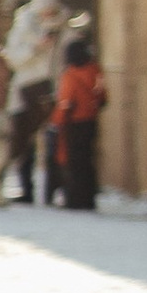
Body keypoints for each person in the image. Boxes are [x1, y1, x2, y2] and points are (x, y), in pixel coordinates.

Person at [2, 0, 69, 204]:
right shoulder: (24, 26)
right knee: (23, 142)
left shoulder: (62, 27)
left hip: (54, 89)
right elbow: (12, 57)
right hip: (26, 88)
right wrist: (35, 48)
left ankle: (53, 191)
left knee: (53, 140)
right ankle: (25, 189)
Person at [48, 30, 106, 211]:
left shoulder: (70, 75)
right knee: (88, 160)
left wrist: (56, 122)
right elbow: (103, 96)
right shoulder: (96, 70)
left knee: (73, 163)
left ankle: (74, 199)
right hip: (91, 121)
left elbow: (65, 102)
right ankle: (89, 198)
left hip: (73, 123)